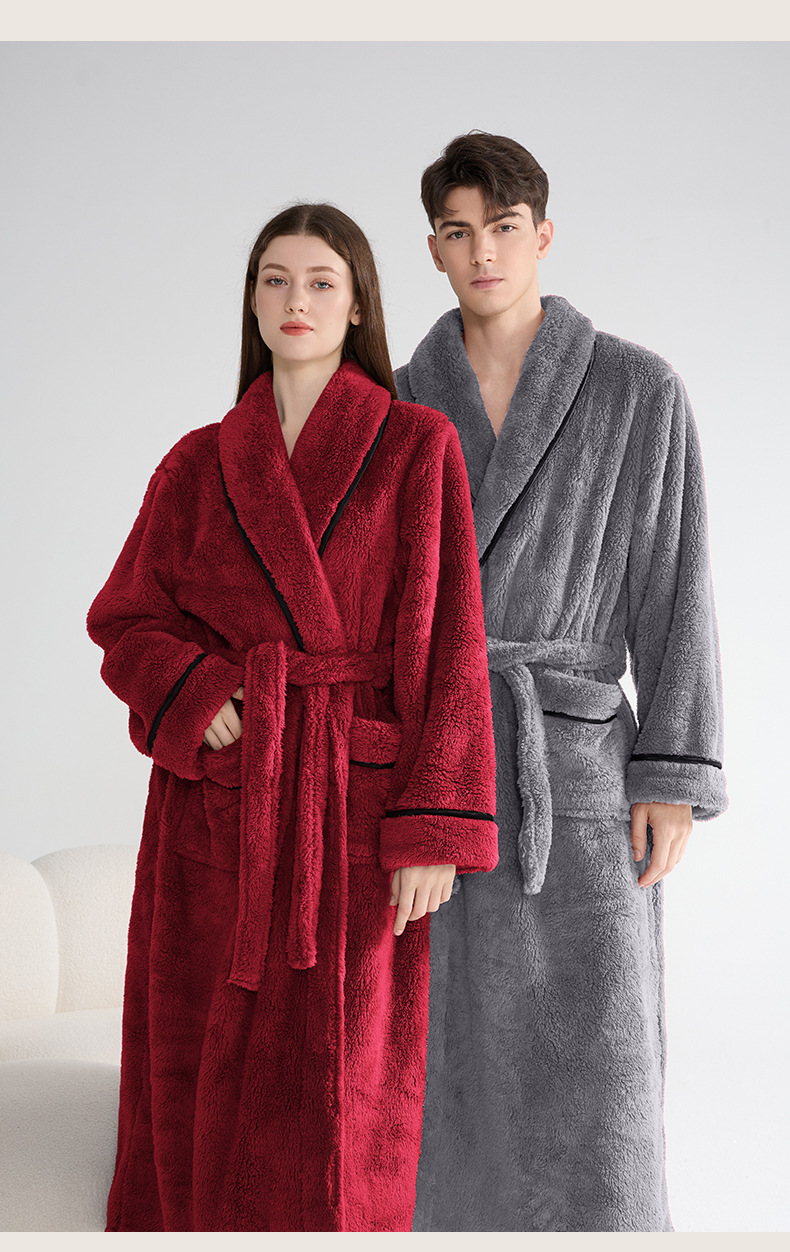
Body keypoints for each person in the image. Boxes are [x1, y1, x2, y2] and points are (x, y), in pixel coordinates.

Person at [87, 202, 499, 1232]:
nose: (295, 300)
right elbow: (126, 617)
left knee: (349, 1095)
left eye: (320, 281)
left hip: (351, 812)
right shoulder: (196, 463)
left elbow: (449, 645)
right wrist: (196, 692)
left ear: (357, 303)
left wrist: (433, 828)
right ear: (252, 301)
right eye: (274, 279)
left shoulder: (416, 446)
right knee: (197, 1063)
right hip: (217, 812)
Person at [394, 132, 728, 1233]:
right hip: (440, 777)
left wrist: (669, 771)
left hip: (575, 774)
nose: (482, 253)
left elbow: (674, 585)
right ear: (434, 249)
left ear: (542, 235)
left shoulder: (637, 389)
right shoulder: (398, 404)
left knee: (599, 1063)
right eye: (458, 232)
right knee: (445, 1074)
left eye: (502, 228)